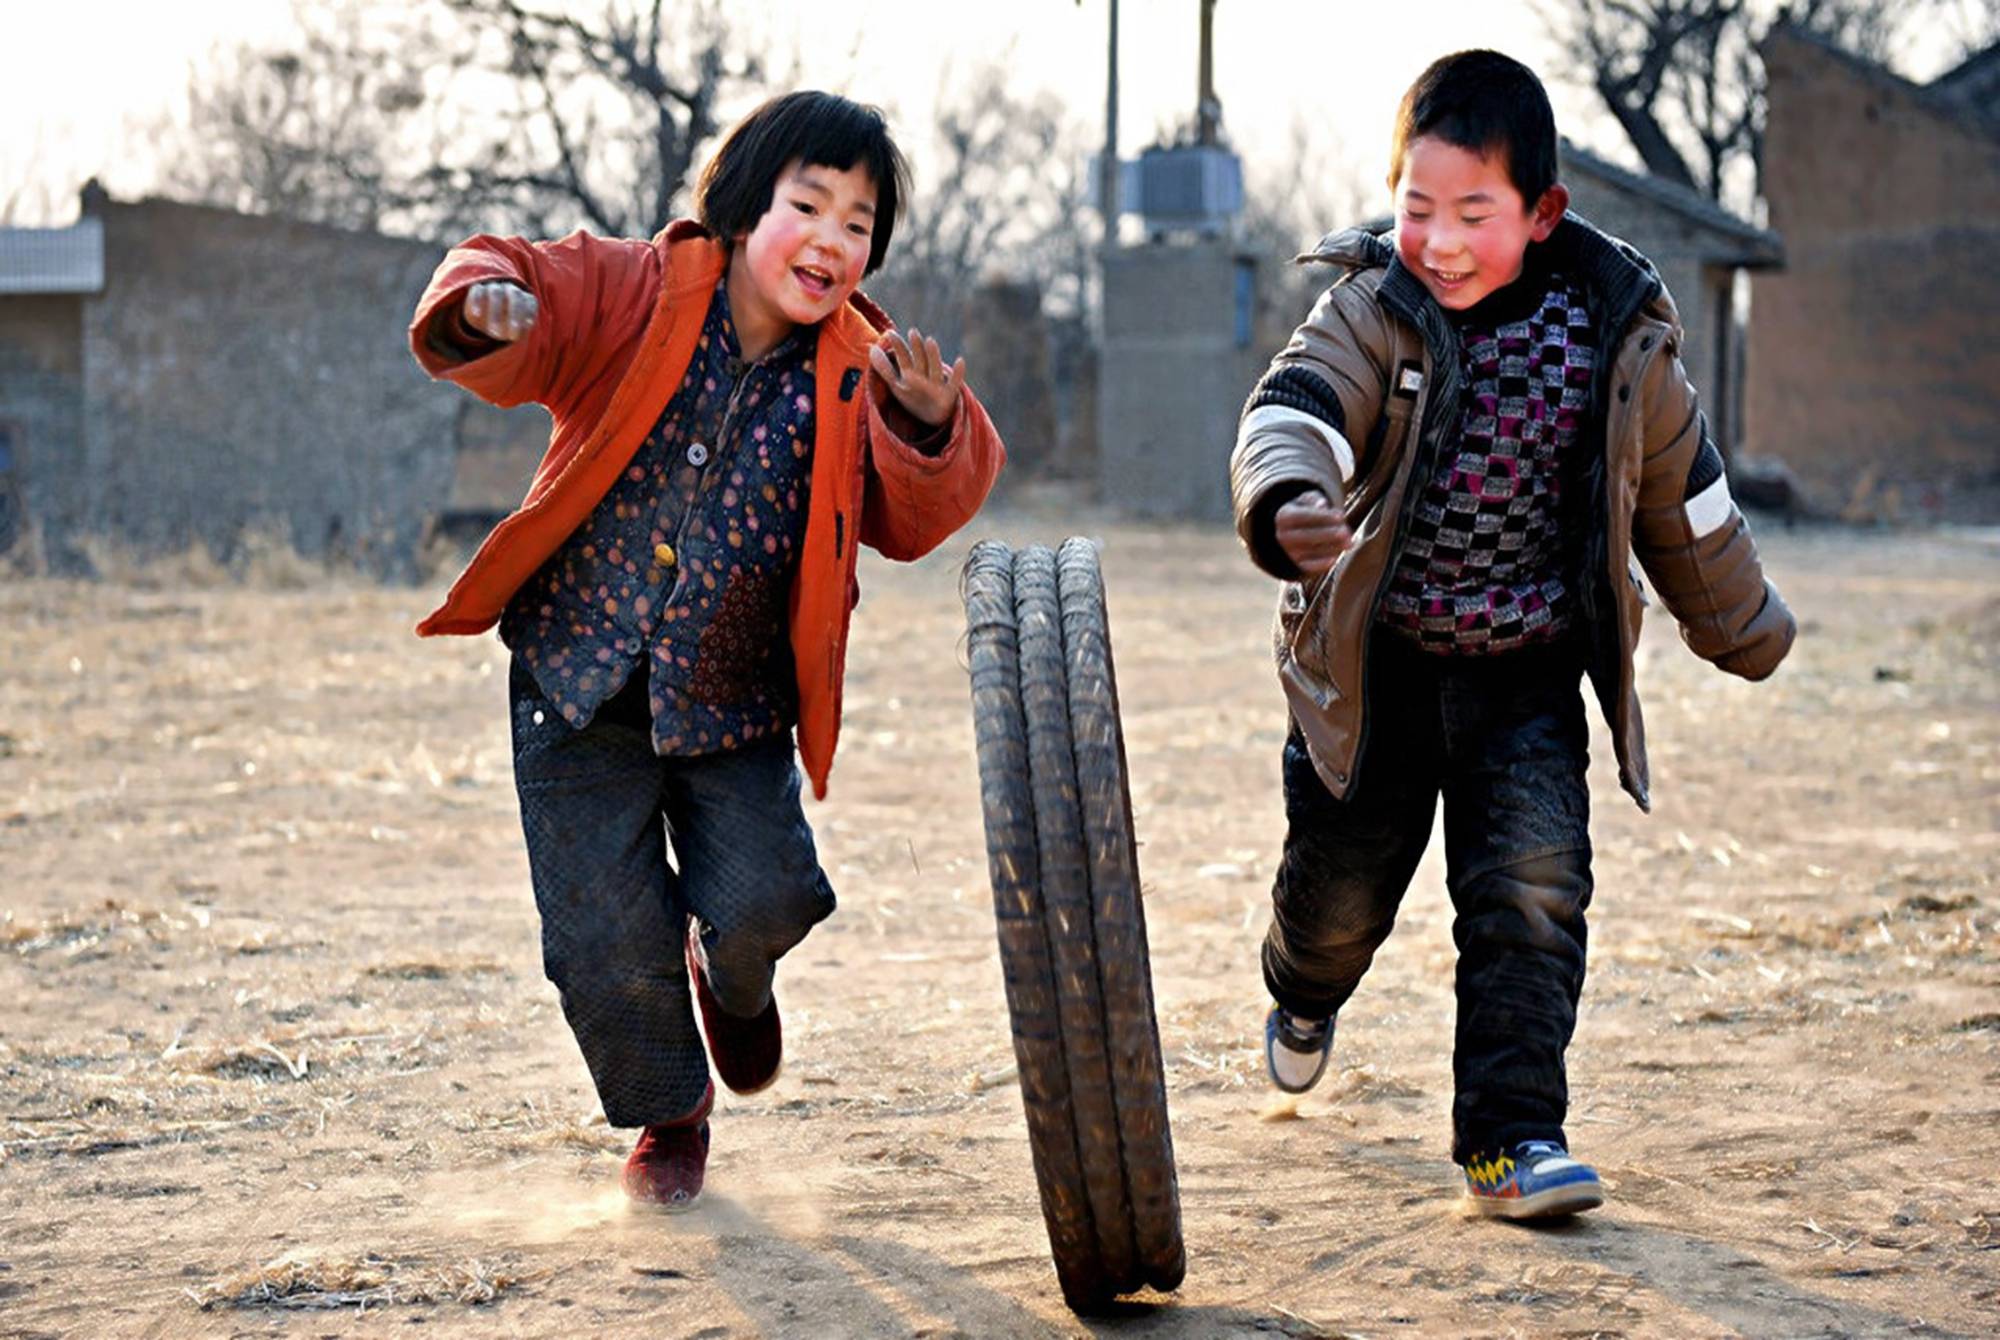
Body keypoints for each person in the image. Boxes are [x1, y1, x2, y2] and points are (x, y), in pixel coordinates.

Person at [408, 91, 1005, 1210]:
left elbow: (919, 513)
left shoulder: (860, 365)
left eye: (859, 223)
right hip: (573, 683)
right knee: (598, 928)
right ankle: (670, 1112)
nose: (833, 240)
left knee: (768, 898)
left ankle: (730, 981)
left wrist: (926, 424)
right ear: (740, 205)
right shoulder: (638, 290)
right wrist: (485, 307)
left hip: (733, 705)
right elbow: (515, 276)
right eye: (808, 205)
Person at [1228, 50, 1794, 1220]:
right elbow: (1298, 399)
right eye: (1415, 207)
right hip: (1376, 672)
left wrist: (1742, 622)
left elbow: (1682, 496)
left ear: (1541, 213)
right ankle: (1299, 989)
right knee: (1338, 905)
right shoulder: (1372, 305)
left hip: (1525, 680)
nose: (1437, 240)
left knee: (1532, 892)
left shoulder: (1615, 332)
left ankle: (1511, 1136)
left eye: (1471, 213)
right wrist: (1287, 492)